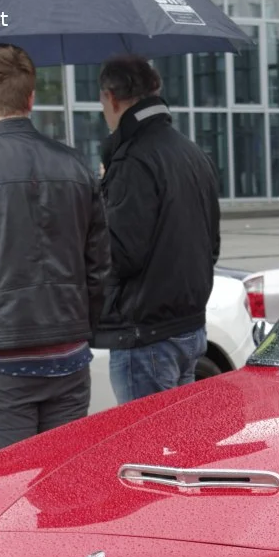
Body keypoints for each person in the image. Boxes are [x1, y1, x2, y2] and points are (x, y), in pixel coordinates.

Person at [0, 44, 109, 460]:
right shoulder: (77, 166)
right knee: (62, 491)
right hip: (67, 356)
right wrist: (85, 332)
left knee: (2, 496)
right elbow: (99, 266)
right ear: (31, 98)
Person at [96, 53, 221, 404]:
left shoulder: (133, 160)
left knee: (147, 453)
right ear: (156, 90)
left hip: (145, 336)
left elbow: (120, 255)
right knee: (180, 448)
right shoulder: (194, 153)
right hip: (189, 327)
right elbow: (211, 244)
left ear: (111, 97)